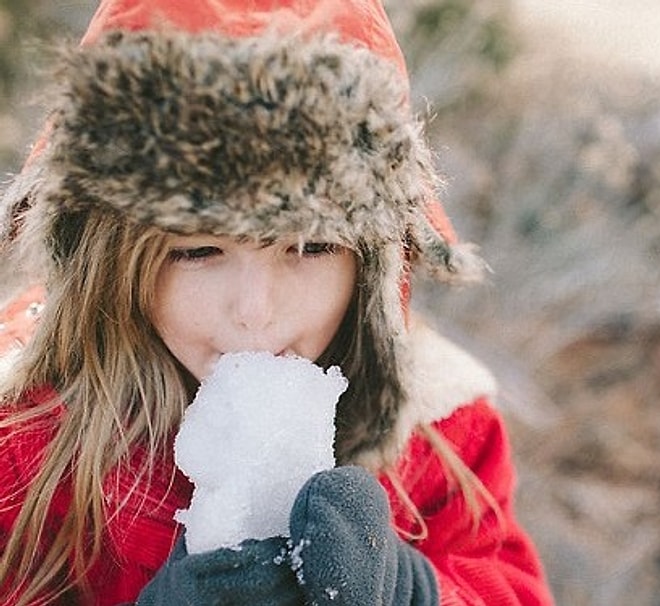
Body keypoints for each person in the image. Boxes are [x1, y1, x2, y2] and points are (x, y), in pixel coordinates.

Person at [0, 0, 555, 604]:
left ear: (371, 262)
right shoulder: (26, 433)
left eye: (310, 246)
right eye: (198, 251)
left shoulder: (440, 429)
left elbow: (508, 585)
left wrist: (411, 590)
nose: (256, 311)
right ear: (110, 260)